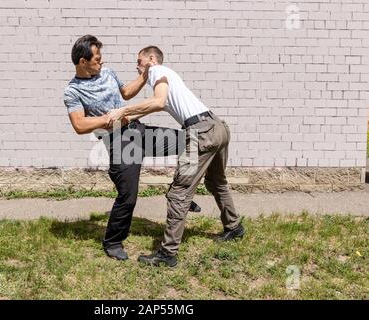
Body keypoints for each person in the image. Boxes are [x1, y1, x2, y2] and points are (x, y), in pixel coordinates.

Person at [63, 35, 201, 261]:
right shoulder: (72, 91)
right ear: (82, 62)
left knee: (192, 141)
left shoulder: (107, 73)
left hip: (138, 130)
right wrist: (113, 119)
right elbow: (80, 125)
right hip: (118, 140)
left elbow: (126, 92)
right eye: (97, 58)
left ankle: (179, 191)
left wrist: (146, 73)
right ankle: (113, 241)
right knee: (128, 195)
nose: (101, 61)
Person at [108, 46, 245, 267]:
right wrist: (128, 116)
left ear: (151, 59)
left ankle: (167, 254)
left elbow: (158, 102)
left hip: (200, 133)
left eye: (139, 61)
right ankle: (234, 226)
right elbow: (155, 106)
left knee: (178, 194)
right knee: (216, 182)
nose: (137, 66)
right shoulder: (168, 75)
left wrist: (122, 111)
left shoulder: (155, 71)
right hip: (218, 127)